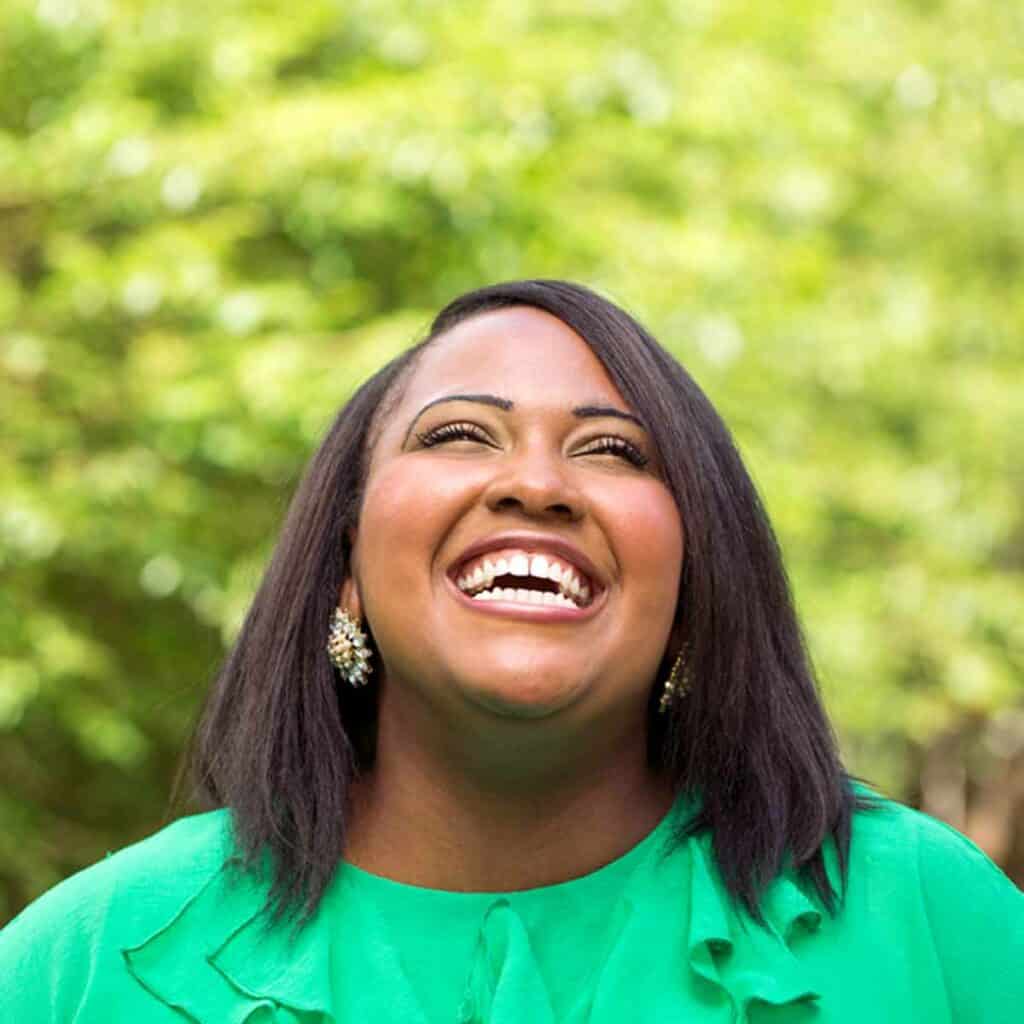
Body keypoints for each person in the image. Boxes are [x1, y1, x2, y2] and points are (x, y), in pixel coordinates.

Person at [1, 279, 1021, 1022]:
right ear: (345, 567)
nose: (536, 484)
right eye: (457, 435)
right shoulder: (80, 968)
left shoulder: (925, 916)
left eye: (613, 450)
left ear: (692, 583)